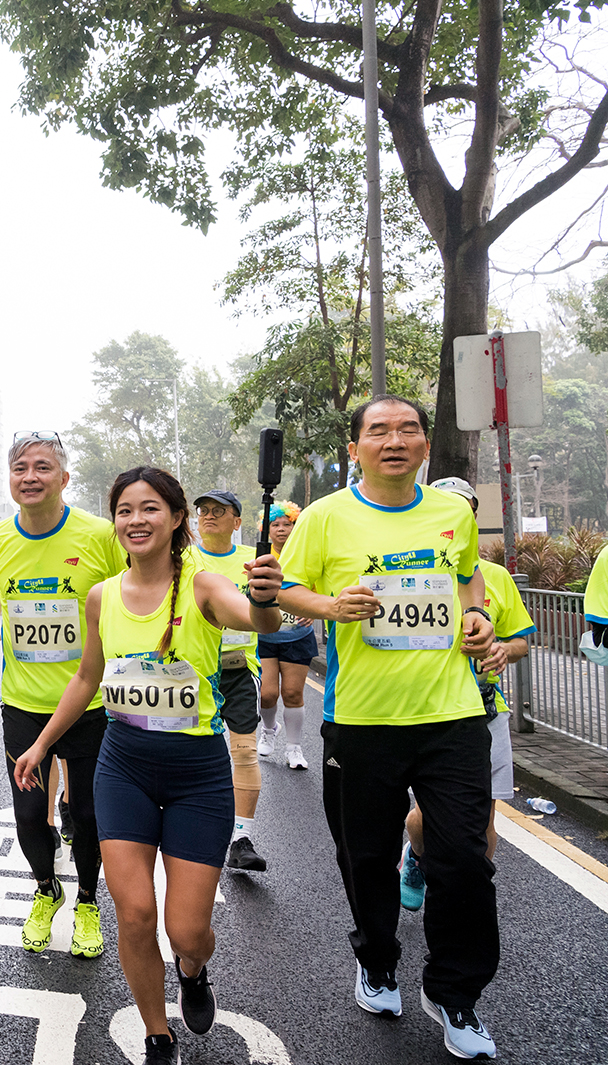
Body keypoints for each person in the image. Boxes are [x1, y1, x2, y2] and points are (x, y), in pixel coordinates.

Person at [14, 466, 283, 1065]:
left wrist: (266, 599)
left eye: (150, 509)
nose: (136, 520)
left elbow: (257, 621)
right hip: (124, 770)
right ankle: (156, 1033)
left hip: (198, 776)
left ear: (177, 518)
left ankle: (192, 969)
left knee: (186, 930)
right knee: (133, 915)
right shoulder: (102, 595)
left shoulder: (206, 586)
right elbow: (87, 676)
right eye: (125, 511)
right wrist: (41, 744)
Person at [277, 395, 498, 1059]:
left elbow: (468, 582)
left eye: (408, 429)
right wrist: (330, 604)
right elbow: (284, 589)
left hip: (451, 714)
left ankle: (454, 993)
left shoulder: (451, 512)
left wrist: (478, 618)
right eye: (379, 431)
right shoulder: (325, 517)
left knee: (464, 857)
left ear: (426, 445)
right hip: (362, 719)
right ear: (355, 448)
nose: (394, 440)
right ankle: (376, 958)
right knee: (366, 858)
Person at [0, 431, 126, 959]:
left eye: (42, 467)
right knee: (28, 813)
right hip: (22, 704)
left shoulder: (101, 536)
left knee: (85, 816)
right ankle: (46, 888)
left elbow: (131, 596)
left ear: (64, 478)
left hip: (90, 705)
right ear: (10, 479)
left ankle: (87, 901)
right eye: (20, 468)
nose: (30, 477)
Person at [398, 477, 535, 908]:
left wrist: (501, 649)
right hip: (423, 712)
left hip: (485, 710)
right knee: (423, 818)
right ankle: (417, 854)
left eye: (466, 508)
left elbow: (522, 640)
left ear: (472, 516)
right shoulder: (404, 567)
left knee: (482, 817)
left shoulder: (494, 577)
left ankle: (468, 902)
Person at [190, 489, 268, 873]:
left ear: (237, 522)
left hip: (239, 671)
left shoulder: (253, 561)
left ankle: (241, 839)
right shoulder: (184, 558)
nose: (208, 516)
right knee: (189, 752)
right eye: (203, 510)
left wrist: (295, 611)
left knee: (245, 752)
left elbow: (279, 601)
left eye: (219, 511)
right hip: (191, 671)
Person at [255, 500, 312, 769]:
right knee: (267, 694)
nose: (281, 529)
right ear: (266, 531)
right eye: (274, 525)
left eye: (286, 524)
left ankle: (294, 748)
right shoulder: (260, 558)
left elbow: (321, 589)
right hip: (266, 637)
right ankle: (268, 730)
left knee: (292, 693)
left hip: (298, 635)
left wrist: (314, 610)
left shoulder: (307, 555)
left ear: (295, 526)